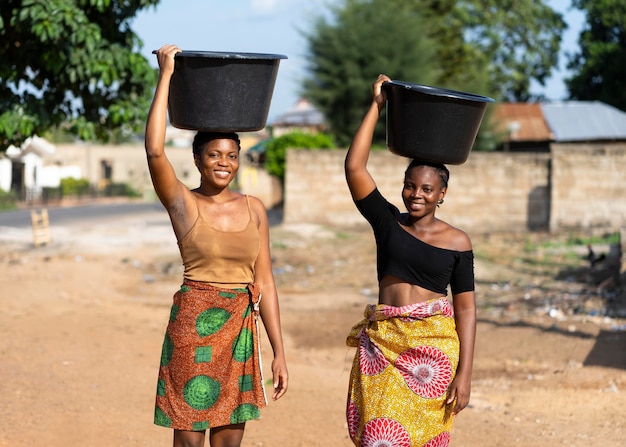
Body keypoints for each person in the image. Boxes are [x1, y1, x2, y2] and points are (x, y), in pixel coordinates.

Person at [145, 44, 288, 447]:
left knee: (228, 440)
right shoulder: (183, 203)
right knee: (188, 439)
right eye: (214, 154)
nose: (223, 162)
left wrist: (278, 350)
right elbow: (154, 150)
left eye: (231, 155)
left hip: (240, 328)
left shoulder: (255, 209)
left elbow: (267, 284)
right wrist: (166, 75)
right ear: (197, 159)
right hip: (192, 328)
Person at [344, 74, 476, 447]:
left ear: (442, 194)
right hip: (384, 346)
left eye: (427, 189)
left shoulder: (457, 242)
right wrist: (376, 106)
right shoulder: (388, 222)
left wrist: (464, 373)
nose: (416, 195)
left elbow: (465, 310)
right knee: (379, 438)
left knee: (421, 438)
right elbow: (355, 168)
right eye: (410, 186)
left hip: (431, 353)